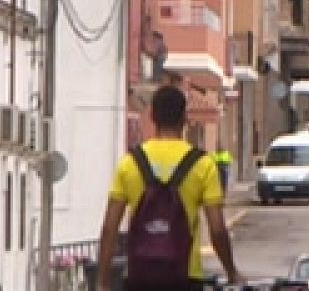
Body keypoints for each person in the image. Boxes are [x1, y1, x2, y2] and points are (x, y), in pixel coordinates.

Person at [98, 86, 241, 291]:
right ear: (184, 118)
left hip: (140, 276)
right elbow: (217, 229)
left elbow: (109, 229)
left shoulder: (129, 163)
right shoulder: (203, 165)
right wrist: (231, 272)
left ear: (152, 116)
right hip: (185, 276)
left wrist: (103, 282)